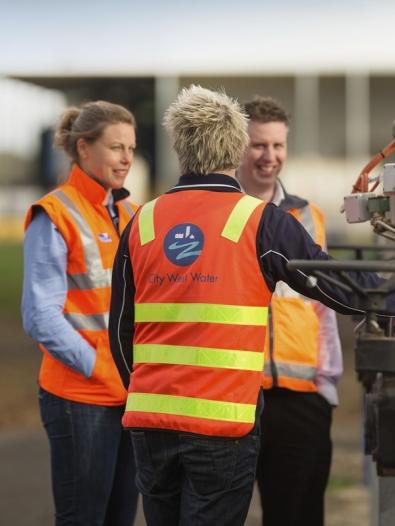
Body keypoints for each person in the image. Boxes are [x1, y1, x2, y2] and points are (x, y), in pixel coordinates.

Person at [108, 85, 390, 526]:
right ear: (237, 146)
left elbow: (121, 331)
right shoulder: (259, 220)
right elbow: (342, 288)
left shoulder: (143, 220)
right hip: (223, 426)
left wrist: (145, 390)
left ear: (179, 146)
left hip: (151, 423)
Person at [21, 100, 139, 526]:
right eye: (116, 148)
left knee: (120, 517)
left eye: (131, 148)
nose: (126, 158)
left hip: (128, 395)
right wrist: (101, 366)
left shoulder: (129, 213)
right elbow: (39, 316)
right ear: (84, 149)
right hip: (80, 396)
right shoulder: (53, 214)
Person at [237, 95, 340, 526]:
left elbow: (325, 309)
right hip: (237, 393)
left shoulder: (308, 216)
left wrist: (326, 385)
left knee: (297, 515)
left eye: (278, 146)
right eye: (259, 145)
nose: (270, 156)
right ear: (238, 147)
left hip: (300, 398)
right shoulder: (224, 214)